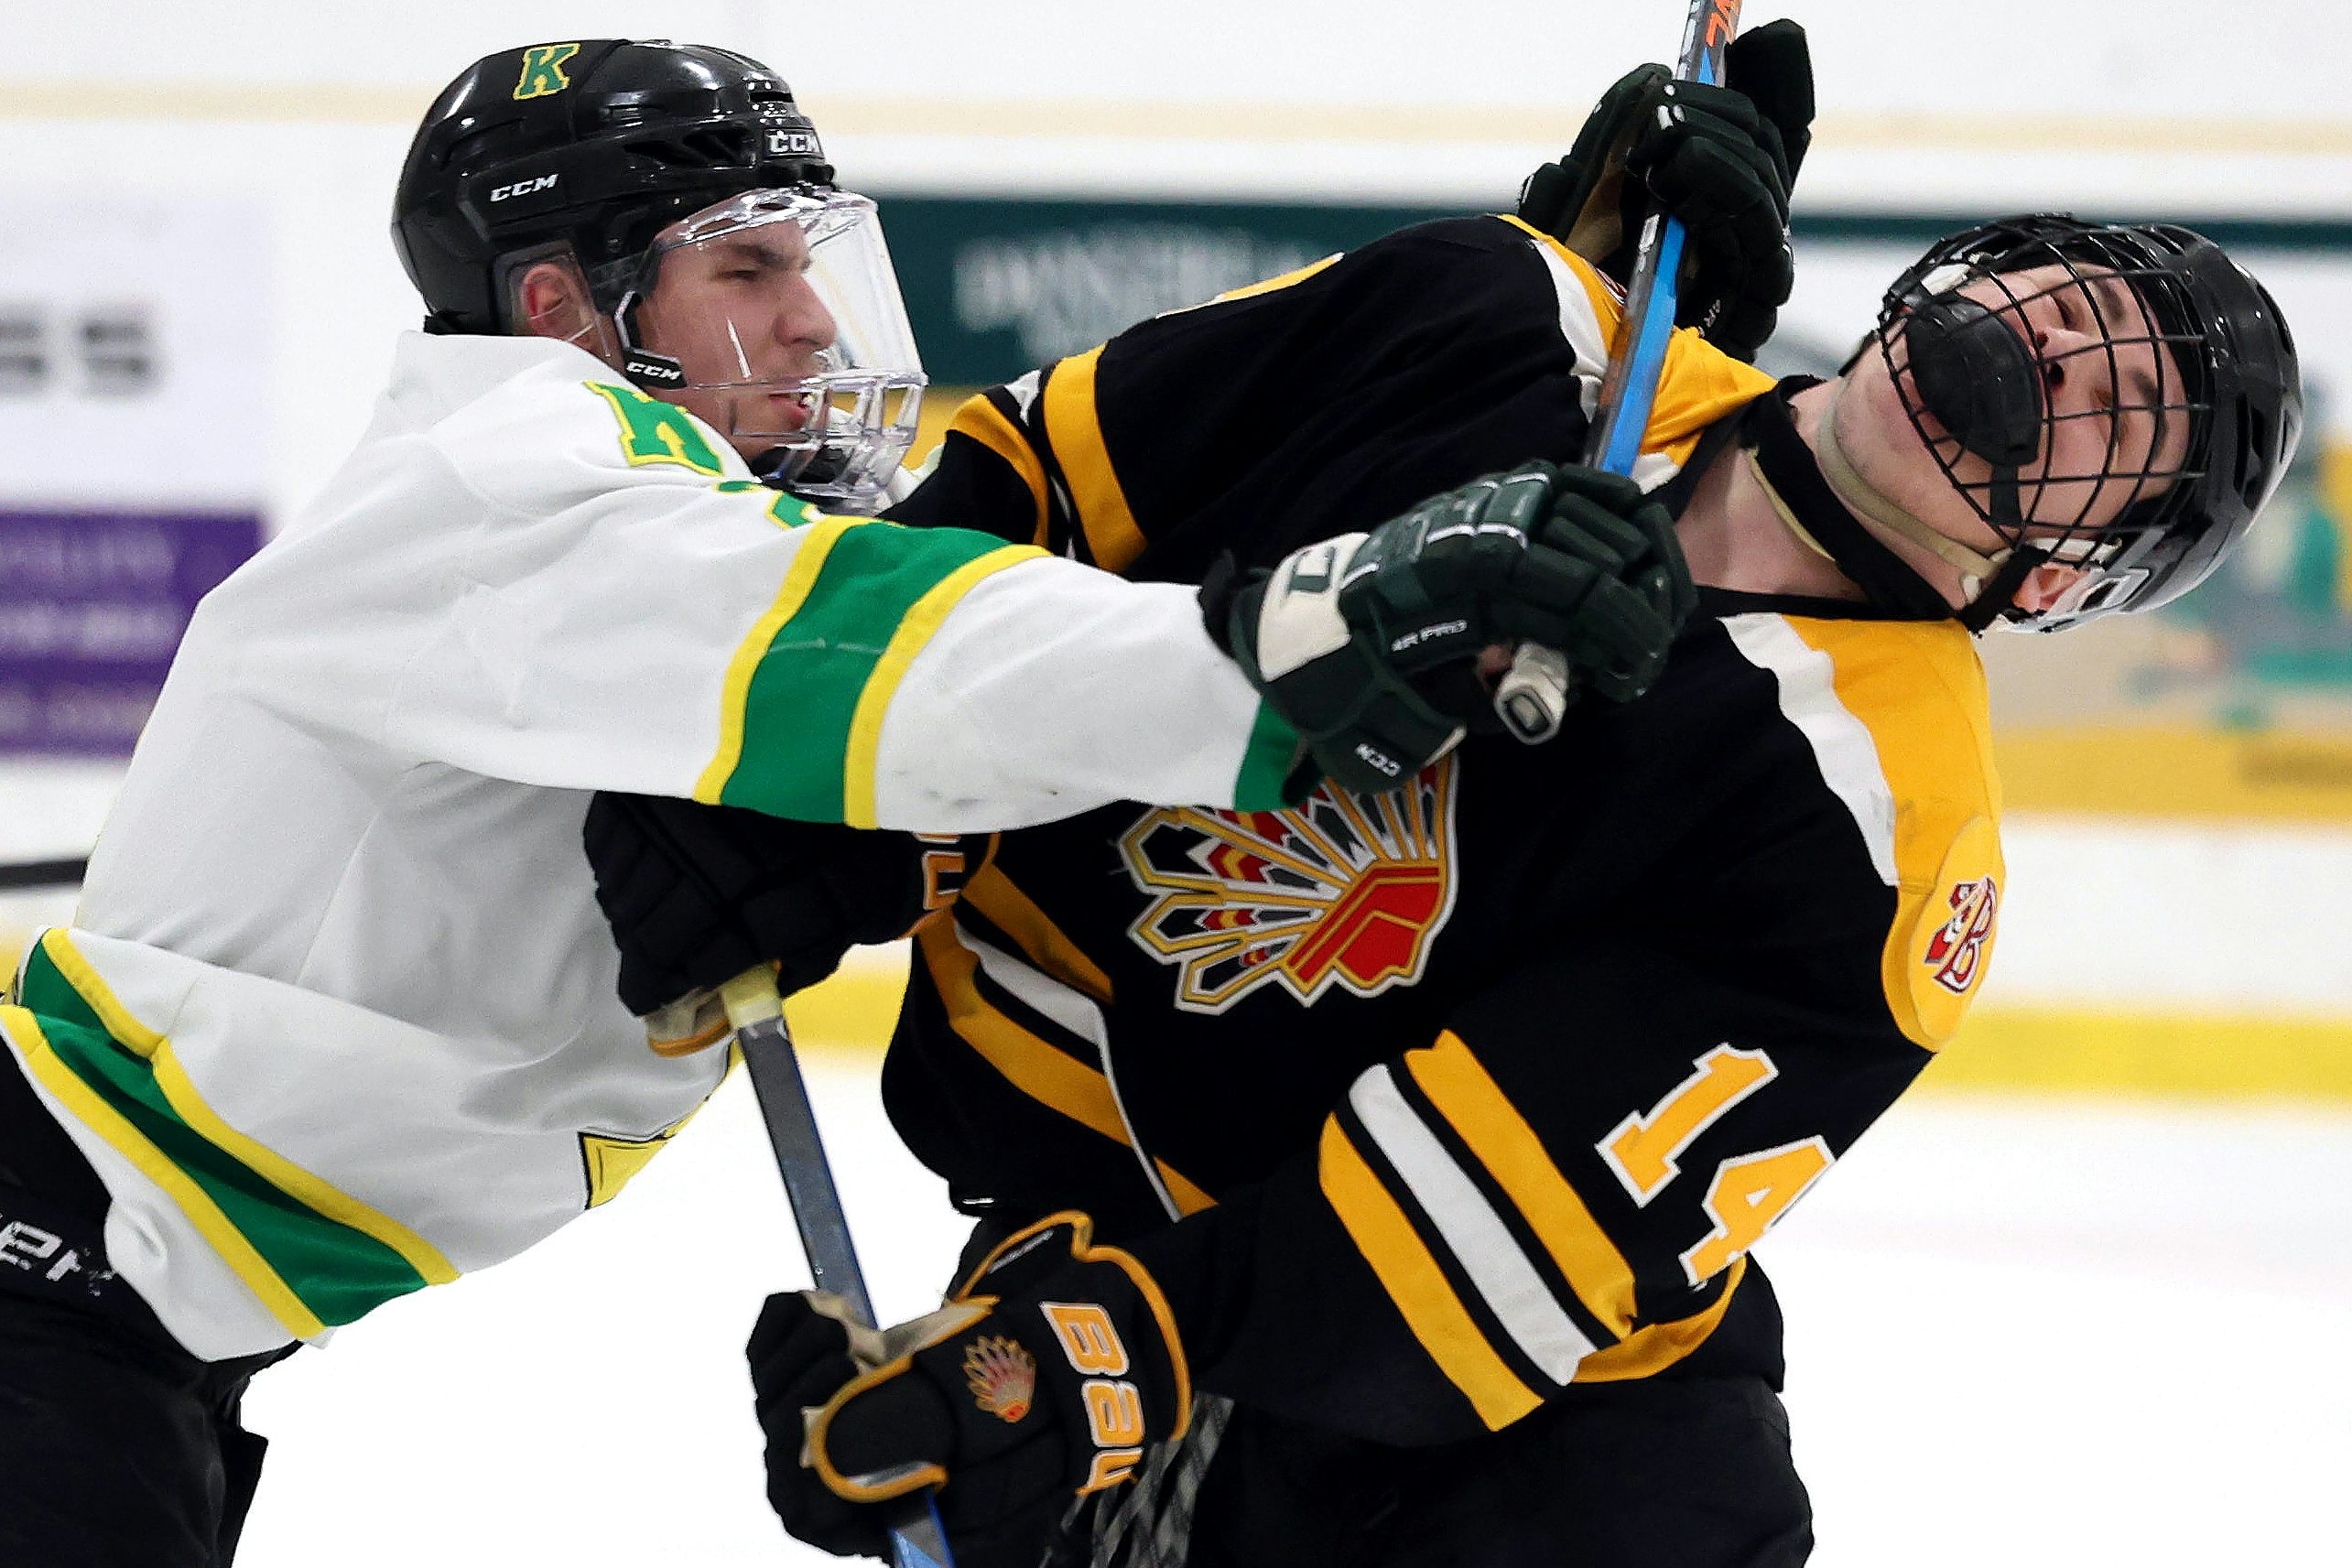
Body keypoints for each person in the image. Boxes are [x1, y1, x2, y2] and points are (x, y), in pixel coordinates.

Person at [579, 27, 2303, 1568]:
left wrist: (1084, 1370)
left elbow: (1455, 1234)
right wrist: (821, 782)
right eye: (2061, 305)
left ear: (2066, 570)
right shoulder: (1502, 313)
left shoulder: (1884, 834)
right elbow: (1038, 491)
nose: (2060, 356)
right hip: (1108, 1205)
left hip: (1532, 1455)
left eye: (2124, 403)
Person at [0, 39, 1682, 1568]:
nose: (811, 320)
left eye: (808, 264)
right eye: (747, 266)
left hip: (116, 1307)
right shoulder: (520, 488)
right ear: (560, 309)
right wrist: (1310, 652)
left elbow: (1003, 571)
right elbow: (925, 660)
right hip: (54, 1302)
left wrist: (1512, 321)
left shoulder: (589, 535)